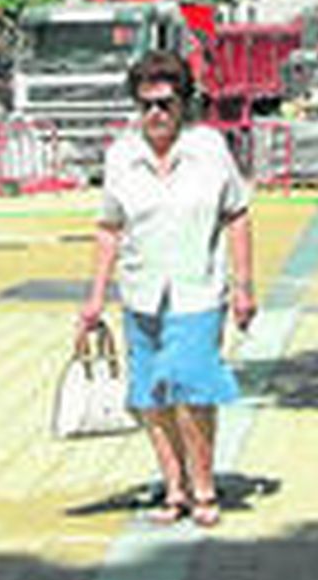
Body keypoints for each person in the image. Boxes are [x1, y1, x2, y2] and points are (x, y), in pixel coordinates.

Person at [77, 50, 256, 529]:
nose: (155, 114)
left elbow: (237, 215)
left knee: (193, 391)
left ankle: (204, 487)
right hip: (141, 292)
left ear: (183, 104)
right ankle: (173, 487)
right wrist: (95, 298)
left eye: (165, 103)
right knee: (152, 396)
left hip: (198, 292)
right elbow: (109, 228)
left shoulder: (209, 150)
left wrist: (244, 287)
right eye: (145, 105)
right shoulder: (122, 156)